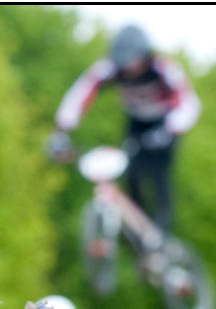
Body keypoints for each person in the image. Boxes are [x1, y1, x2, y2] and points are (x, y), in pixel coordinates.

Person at [51, 24, 201, 235]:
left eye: (134, 61)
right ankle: (138, 229)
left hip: (166, 122)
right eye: (125, 62)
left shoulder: (164, 69)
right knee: (130, 171)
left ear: (145, 56)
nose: (130, 68)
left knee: (158, 172)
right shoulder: (109, 67)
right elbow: (81, 93)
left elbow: (189, 104)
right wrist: (62, 129)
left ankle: (161, 231)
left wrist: (169, 130)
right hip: (136, 121)